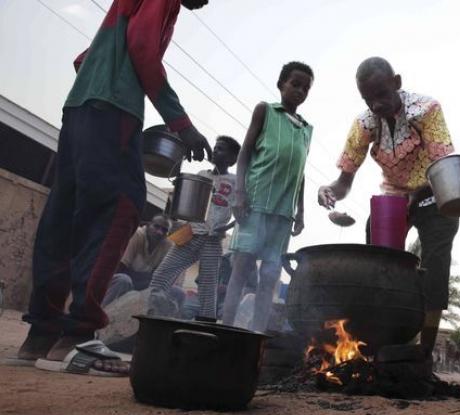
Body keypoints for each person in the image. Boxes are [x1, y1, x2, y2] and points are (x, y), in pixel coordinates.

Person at [18, 0, 212, 375]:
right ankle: (78, 336)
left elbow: (85, 58)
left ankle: (41, 335)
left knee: (65, 214)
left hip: (79, 108)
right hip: (114, 110)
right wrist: (180, 123)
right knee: (120, 207)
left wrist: (104, 78)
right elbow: (141, 46)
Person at [317, 57, 458, 353]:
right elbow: (344, 182)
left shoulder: (426, 110)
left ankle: (424, 352)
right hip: (394, 196)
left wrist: (415, 198)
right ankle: (383, 342)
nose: (376, 105)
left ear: (397, 82)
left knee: (435, 269)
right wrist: (329, 191)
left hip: (434, 190)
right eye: (368, 99)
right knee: (380, 266)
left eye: (381, 94)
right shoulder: (364, 124)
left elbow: (444, 166)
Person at [221, 61, 313, 332]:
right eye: (295, 84)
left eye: (306, 88)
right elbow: (245, 153)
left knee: (270, 275)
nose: (300, 90)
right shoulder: (266, 111)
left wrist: (302, 210)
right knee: (242, 268)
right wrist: (239, 193)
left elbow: (301, 171)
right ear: (281, 84)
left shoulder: (306, 128)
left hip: (283, 213)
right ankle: (225, 330)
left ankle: (256, 336)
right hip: (255, 204)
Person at [147, 136, 240, 320]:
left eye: (220, 149)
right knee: (162, 273)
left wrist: (226, 227)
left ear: (231, 159)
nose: (214, 151)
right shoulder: (202, 175)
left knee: (207, 286)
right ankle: (150, 310)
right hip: (190, 232)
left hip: (213, 239)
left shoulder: (235, 182)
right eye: (214, 148)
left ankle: (205, 322)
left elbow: (242, 213)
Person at [101, 214, 173, 307]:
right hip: (118, 279)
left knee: (175, 292)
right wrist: (147, 279)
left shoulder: (167, 245)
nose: (159, 232)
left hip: (142, 284)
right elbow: (121, 268)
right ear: (148, 225)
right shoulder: (137, 235)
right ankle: (98, 314)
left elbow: (159, 277)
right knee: (124, 280)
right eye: (156, 226)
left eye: (164, 230)